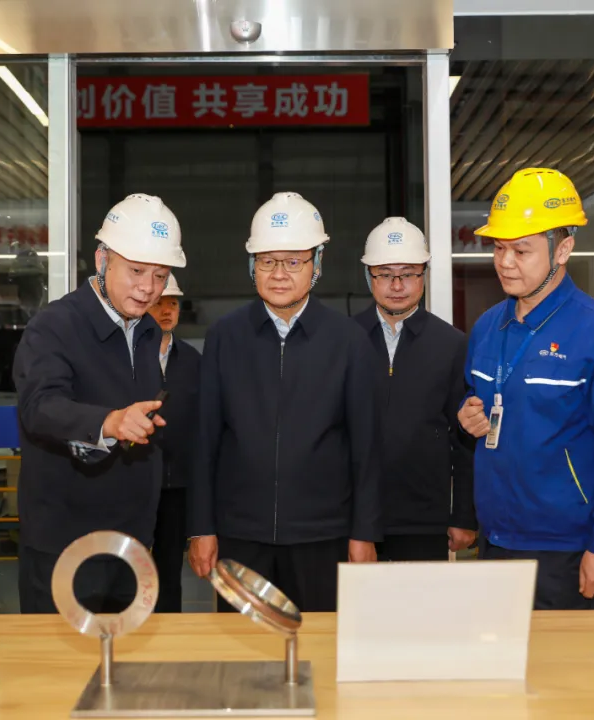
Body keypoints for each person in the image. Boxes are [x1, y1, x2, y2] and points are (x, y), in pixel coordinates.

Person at [458, 167, 594, 610]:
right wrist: (468, 413)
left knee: (568, 658)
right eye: (499, 248)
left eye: (521, 250)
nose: (505, 262)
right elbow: (478, 399)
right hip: (495, 541)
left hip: (567, 551)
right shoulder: (488, 327)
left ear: (563, 249)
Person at [187, 192, 382, 612]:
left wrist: (363, 532)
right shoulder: (225, 337)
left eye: (293, 262)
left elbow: (365, 447)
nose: (278, 274)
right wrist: (201, 527)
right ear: (251, 265)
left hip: (323, 536)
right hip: (240, 536)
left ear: (317, 264)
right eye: (267, 261)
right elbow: (205, 440)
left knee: (318, 642)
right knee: (241, 648)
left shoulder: (348, 341)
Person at [13, 193, 186, 614]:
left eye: (160, 275)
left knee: (126, 654)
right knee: (58, 655)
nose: (148, 287)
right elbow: (40, 407)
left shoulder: (147, 331)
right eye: (136, 270)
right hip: (64, 543)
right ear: (102, 259)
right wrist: (110, 422)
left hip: (131, 543)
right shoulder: (54, 326)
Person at [353, 217, 477, 561]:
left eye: (407, 273)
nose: (397, 285)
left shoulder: (451, 344)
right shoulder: (343, 340)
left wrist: (464, 515)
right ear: (368, 276)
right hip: (354, 521)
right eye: (384, 274)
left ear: (424, 275)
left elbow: (465, 440)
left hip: (425, 520)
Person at [147, 273, 201, 613]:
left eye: (173, 303)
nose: (167, 310)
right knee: (129, 567)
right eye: (159, 303)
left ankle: (168, 632)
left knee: (169, 570)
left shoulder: (193, 361)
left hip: (177, 484)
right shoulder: (126, 357)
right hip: (134, 480)